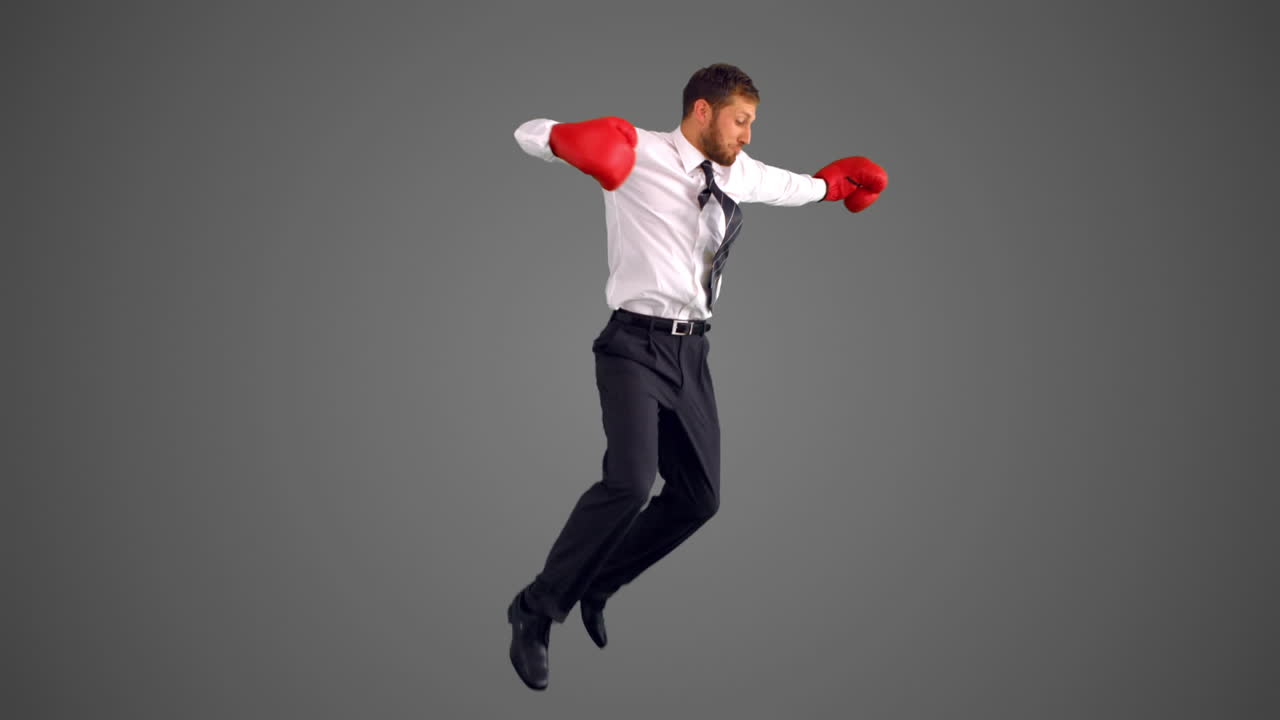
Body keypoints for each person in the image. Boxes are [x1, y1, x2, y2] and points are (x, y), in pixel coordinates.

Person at [506, 62, 887, 691]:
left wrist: (833, 188)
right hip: (632, 344)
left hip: (692, 354)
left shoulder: (737, 173)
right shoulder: (637, 152)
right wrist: (560, 139)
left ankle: (599, 581)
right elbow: (526, 132)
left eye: (753, 124)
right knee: (630, 483)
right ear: (702, 111)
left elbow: (791, 187)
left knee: (700, 499)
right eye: (741, 121)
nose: (747, 135)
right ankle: (535, 610)